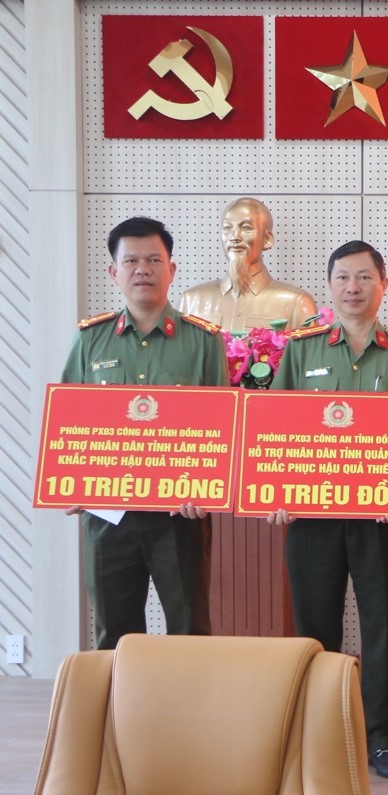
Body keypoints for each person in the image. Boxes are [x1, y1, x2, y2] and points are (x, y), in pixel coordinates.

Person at [267, 240, 388, 780]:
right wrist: (276, 493)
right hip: (313, 521)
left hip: (381, 521)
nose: (353, 288)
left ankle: (383, 741)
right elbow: (276, 428)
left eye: (364, 277)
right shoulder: (303, 350)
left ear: (383, 284)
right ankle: (317, 735)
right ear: (330, 286)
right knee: (316, 632)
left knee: (383, 629)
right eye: (342, 277)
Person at [60, 216, 228, 649]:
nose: (142, 269)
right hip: (108, 514)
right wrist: (69, 481)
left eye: (154, 260)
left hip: (181, 514)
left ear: (171, 269)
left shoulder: (203, 341)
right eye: (131, 261)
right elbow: (68, 419)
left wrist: (207, 488)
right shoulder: (91, 340)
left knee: (189, 632)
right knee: (114, 636)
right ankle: (120, 700)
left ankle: (186, 699)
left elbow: (223, 427)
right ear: (113, 272)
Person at [178, 197, 318, 331]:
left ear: (267, 239)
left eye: (246, 228)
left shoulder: (297, 303)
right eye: (227, 228)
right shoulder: (191, 301)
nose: (234, 236)